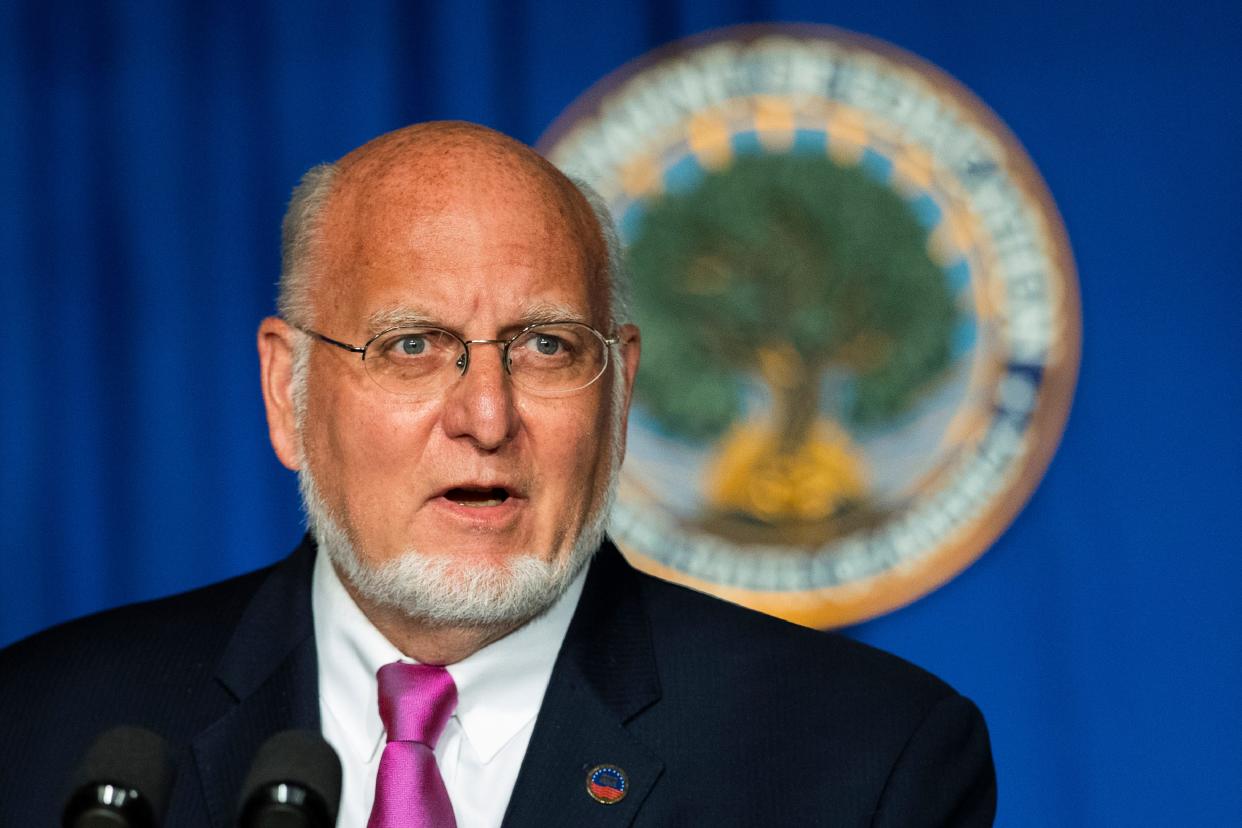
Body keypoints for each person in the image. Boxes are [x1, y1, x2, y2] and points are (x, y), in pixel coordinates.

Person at [0, 122, 996, 826]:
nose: (486, 416)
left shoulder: (864, 762)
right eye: (413, 346)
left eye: (549, 348)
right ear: (285, 390)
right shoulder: (45, 729)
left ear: (619, 390)